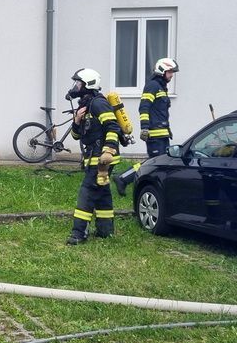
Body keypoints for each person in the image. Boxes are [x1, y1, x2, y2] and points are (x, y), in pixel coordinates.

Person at [66, 68, 121, 245]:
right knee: (102, 192)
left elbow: (113, 127)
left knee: (87, 192)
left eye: (79, 83)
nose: (76, 86)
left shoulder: (98, 103)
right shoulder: (85, 106)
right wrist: (77, 120)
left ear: (88, 84)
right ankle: (105, 230)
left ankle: (78, 233)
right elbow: (76, 136)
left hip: (102, 157)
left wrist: (108, 151)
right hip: (93, 156)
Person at [114, 58, 178, 196]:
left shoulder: (161, 87)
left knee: (159, 163)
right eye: (170, 72)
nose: (172, 75)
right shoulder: (153, 86)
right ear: (162, 71)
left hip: (163, 134)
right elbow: (144, 108)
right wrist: (145, 128)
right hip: (154, 135)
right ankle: (123, 178)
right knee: (153, 163)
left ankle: (156, 188)